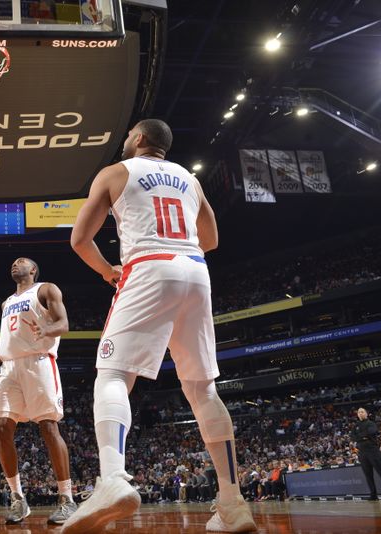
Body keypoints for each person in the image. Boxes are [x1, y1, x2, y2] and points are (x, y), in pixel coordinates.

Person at [65, 119, 256, 533]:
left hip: (147, 268)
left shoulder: (116, 172)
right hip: (195, 270)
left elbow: (80, 239)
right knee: (203, 389)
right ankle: (232, 502)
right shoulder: (190, 179)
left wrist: (106, 272)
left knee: (113, 374)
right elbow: (211, 239)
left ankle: (112, 479)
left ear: (138, 139)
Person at [0, 257, 77, 525]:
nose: (15, 264)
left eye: (21, 262)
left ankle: (66, 498)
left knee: (48, 427)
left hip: (39, 362)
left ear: (33, 270)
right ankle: (17, 498)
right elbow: (14, 340)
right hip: (10, 368)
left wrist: (46, 328)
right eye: (12, 262)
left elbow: (64, 325)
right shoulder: (6, 303)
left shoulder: (47, 289)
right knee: (2, 427)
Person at [353, 407, 381, 501]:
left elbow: (372, 432)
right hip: (362, 452)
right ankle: (373, 495)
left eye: (362, 412)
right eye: (359, 412)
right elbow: (353, 437)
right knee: (368, 475)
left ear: (366, 413)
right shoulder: (356, 425)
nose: (360, 413)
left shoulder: (371, 423)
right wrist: (363, 437)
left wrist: (359, 436)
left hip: (372, 450)